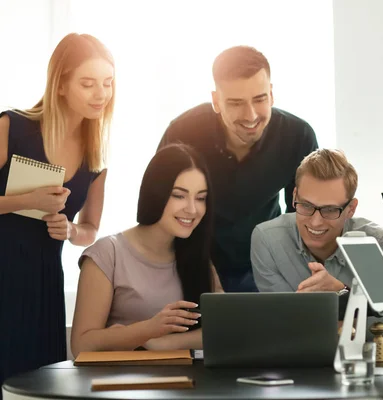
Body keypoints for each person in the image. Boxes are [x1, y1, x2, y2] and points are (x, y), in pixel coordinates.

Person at [0, 33, 114, 389]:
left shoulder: (96, 155)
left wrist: (69, 231)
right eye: (88, 83)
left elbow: (90, 229)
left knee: (36, 386)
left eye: (108, 83)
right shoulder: (11, 127)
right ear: (61, 85)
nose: (101, 94)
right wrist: (27, 201)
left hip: (43, 284)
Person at [157, 45, 318, 292]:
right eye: (236, 103)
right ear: (216, 101)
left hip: (266, 261)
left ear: (272, 94)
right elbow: (163, 212)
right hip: (193, 260)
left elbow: (304, 218)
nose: (251, 115)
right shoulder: (182, 134)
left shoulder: (298, 136)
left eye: (260, 99)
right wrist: (205, 274)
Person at [251, 149, 383, 352]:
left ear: (351, 209)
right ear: (294, 196)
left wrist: (342, 293)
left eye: (330, 210)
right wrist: (347, 323)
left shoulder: (373, 244)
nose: (316, 221)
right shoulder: (268, 239)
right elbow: (280, 331)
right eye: (306, 205)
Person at [70, 144, 222, 357]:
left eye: (200, 198)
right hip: (117, 385)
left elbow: (222, 331)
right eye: (179, 195)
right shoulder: (107, 253)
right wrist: (148, 329)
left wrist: (157, 342)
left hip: (185, 384)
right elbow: (81, 346)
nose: (192, 209)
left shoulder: (197, 256)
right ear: (156, 192)